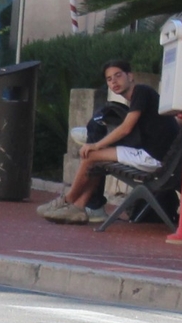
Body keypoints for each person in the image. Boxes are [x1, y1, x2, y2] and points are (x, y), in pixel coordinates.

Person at [40, 61, 165, 223]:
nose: (114, 81)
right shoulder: (141, 96)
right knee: (97, 159)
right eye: (109, 79)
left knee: (92, 155)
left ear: (130, 76)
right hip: (153, 155)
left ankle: (67, 201)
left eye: (118, 75)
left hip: (152, 158)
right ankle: (79, 206)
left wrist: (96, 145)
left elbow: (126, 128)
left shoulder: (141, 91)